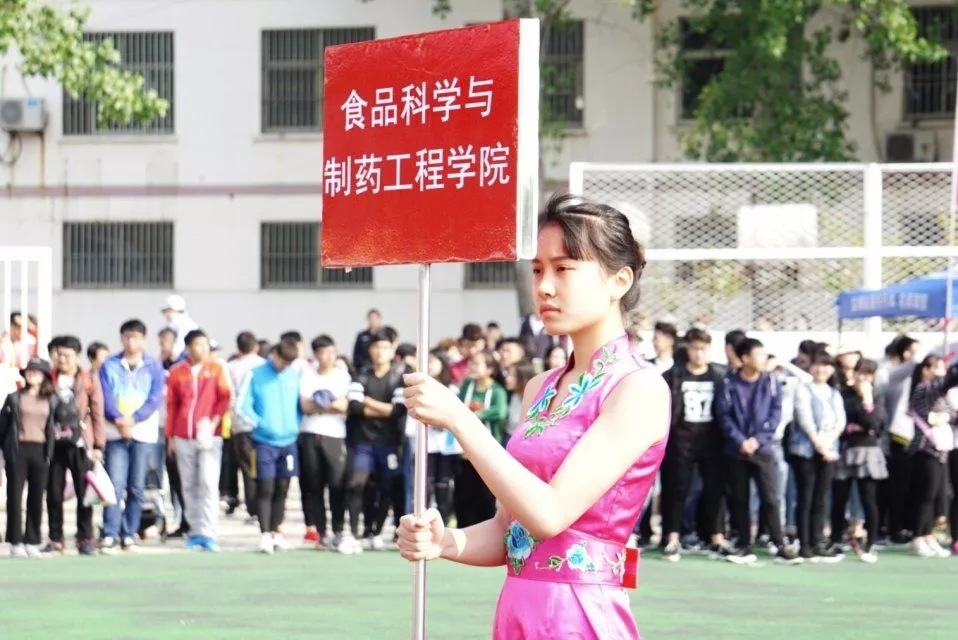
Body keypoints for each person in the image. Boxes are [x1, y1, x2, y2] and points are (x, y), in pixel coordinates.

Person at [396, 193, 670, 639]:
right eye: (538, 269)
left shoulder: (638, 388)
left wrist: (461, 420)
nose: (543, 287)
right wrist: (444, 542)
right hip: (518, 608)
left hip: (579, 615)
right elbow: (511, 531)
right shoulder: (539, 388)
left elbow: (550, 514)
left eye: (564, 269)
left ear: (619, 280)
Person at [99, 319, 166, 552]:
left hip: (143, 433)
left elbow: (155, 398)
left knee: (136, 486)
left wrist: (134, 419)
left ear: (143, 340)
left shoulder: (153, 366)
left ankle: (130, 533)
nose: (131, 341)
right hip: (115, 432)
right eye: (127, 337)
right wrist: (118, 419)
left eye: (135, 337)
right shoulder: (109, 365)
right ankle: (110, 532)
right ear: (121, 338)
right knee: (114, 485)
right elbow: (105, 396)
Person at [165, 329, 232, 552]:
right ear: (188, 347)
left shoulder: (216, 369)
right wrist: (171, 436)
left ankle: (209, 531)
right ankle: (195, 531)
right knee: (189, 483)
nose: (203, 349)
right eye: (198, 344)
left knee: (208, 482)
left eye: (205, 345)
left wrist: (213, 424)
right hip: (183, 435)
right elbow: (172, 405)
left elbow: (224, 398)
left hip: (209, 436)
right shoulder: (177, 372)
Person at [236, 336, 302, 554]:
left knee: (283, 488)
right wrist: (259, 423)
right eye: (282, 361)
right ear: (274, 354)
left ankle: (276, 532)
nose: (284, 366)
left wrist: (295, 425)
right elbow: (242, 405)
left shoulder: (294, 375)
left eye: (289, 363)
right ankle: (264, 534)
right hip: (263, 442)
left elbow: (299, 405)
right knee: (265, 487)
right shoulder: (255, 374)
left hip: (289, 442)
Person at [0, 358, 58, 557]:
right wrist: (5, 449)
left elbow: (55, 425)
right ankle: (15, 541)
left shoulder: (51, 399)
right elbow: (2, 426)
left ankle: (32, 540)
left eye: (37, 371)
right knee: (14, 496)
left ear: (44, 376)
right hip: (18, 449)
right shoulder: (14, 398)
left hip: (41, 450)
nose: (32, 373)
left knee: (36, 496)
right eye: (29, 370)